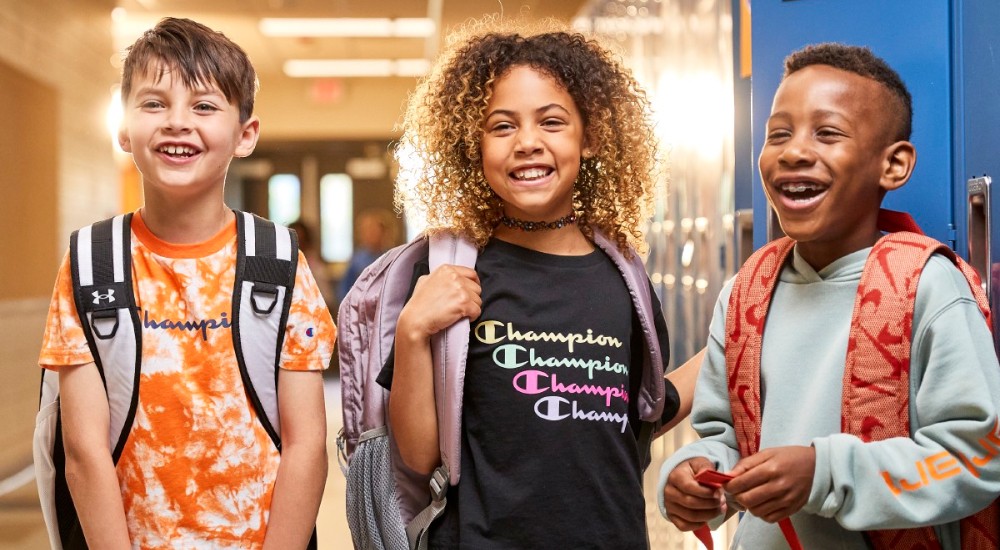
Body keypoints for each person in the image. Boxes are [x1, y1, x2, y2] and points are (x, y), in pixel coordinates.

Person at [658, 43, 1000, 548]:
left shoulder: (928, 286)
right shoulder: (745, 293)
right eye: (778, 134)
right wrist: (691, 472)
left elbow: (977, 458)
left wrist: (825, 472)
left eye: (828, 133)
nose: (793, 151)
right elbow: (722, 436)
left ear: (894, 165)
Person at [377, 16, 701, 548]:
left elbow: (640, 412)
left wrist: (743, 334)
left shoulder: (624, 277)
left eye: (552, 122)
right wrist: (413, 330)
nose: (527, 142)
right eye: (502, 126)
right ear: (474, 147)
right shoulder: (449, 271)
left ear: (590, 138)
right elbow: (419, 458)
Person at [38, 18, 335, 548]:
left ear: (245, 135)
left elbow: (306, 444)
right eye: (153, 104)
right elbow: (83, 453)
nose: (177, 123)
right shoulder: (90, 263)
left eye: (204, 106)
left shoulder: (278, 261)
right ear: (123, 129)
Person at [336, 208, 395, 302]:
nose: (371, 234)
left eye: (374, 230)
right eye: (367, 230)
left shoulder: (392, 257)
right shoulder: (356, 260)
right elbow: (344, 291)